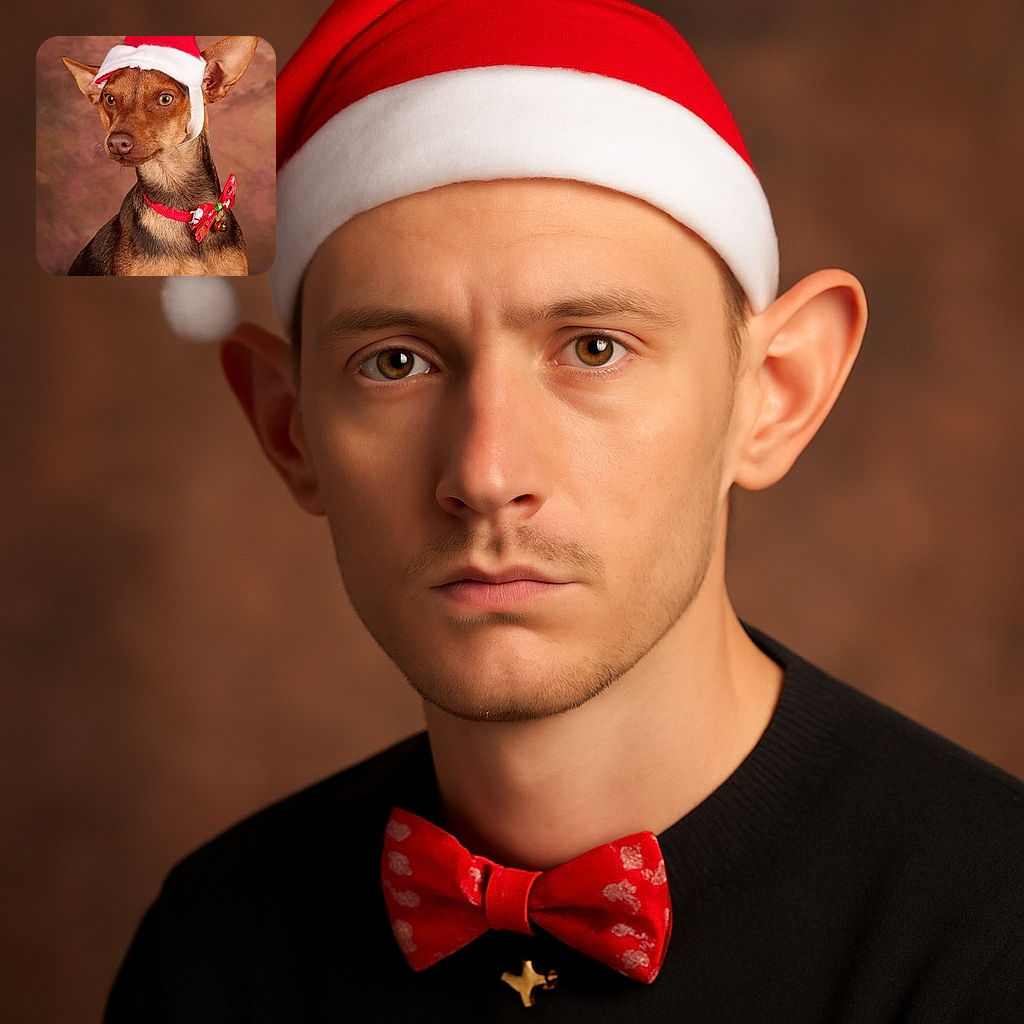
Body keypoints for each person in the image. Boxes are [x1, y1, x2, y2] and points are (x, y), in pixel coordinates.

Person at [105, 0, 1024, 1019]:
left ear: (774, 394)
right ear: (289, 429)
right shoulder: (211, 951)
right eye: (396, 362)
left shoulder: (991, 936)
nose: (487, 473)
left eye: (593, 347)